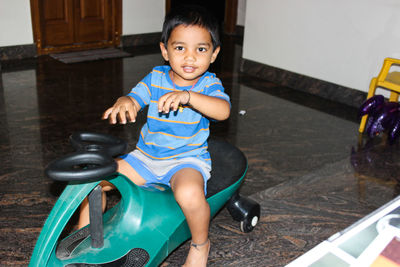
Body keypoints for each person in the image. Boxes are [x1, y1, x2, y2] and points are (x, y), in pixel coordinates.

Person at [78, 5, 230, 267]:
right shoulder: (156, 77)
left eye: (201, 49)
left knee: (189, 194)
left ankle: (200, 244)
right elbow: (136, 98)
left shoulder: (209, 85)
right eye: (180, 48)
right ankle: (85, 236)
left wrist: (189, 97)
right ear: (165, 51)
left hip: (186, 160)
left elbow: (223, 111)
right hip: (145, 158)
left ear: (214, 54)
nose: (190, 57)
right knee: (92, 182)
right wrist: (126, 101)